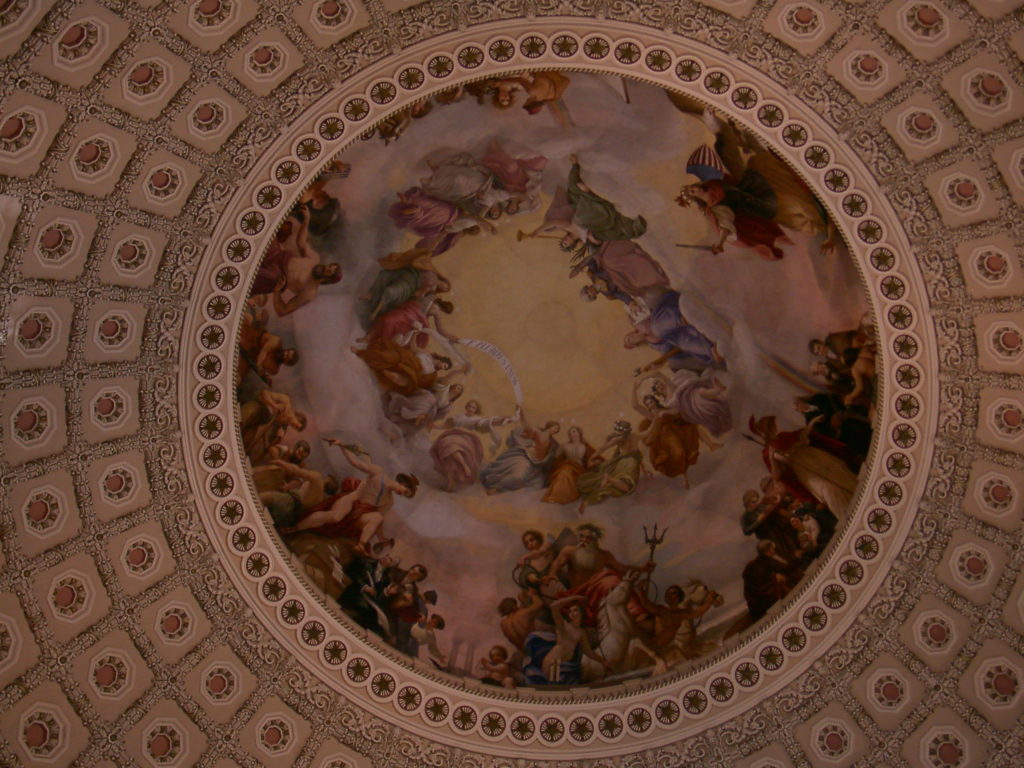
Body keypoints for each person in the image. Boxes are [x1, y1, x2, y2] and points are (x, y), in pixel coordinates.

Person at [284, 440, 418, 556]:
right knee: (335, 516)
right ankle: (297, 527)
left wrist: (382, 538)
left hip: (359, 516)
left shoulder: (389, 501)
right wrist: (342, 446)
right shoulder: (379, 473)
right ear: (403, 483)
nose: (402, 494)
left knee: (379, 517)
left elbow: (376, 522)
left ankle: (360, 545)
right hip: (352, 500)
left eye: (406, 496)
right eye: (405, 491)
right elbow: (356, 463)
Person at [543, 523, 653, 626]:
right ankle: (636, 612)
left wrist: (642, 569)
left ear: (595, 541)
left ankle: (637, 614)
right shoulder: (570, 551)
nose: (584, 540)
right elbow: (557, 563)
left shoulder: (604, 555)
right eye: (581, 536)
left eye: (588, 538)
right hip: (579, 593)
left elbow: (622, 568)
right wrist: (552, 575)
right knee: (612, 579)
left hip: (599, 594)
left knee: (617, 581)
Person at [479, 414, 560, 494]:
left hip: (536, 465)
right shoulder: (538, 432)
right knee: (518, 477)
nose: (556, 430)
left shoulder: (553, 443)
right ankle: (497, 487)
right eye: (555, 427)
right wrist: (521, 413)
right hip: (525, 457)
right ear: (550, 426)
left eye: (557, 430)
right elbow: (526, 425)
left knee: (538, 484)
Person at [577, 421, 648, 511]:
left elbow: (603, 448)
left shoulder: (619, 439)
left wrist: (591, 458)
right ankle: (609, 479)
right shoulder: (634, 436)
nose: (619, 433)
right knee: (627, 486)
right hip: (629, 463)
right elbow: (648, 432)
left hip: (621, 463)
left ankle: (609, 479)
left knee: (625, 485)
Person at [539, 596, 608, 684]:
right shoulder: (564, 625)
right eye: (570, 611)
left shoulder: (581, 632)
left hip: (566, 665)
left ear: (581, 613)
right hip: (554, 662)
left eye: (575, 610)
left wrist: (603, 660)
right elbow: (554, 607)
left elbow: (588, 652)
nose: (572, 613)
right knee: (554, 689)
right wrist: (574, 598)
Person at [542, 426, 595, 504]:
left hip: (579, 470)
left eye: (574, 432)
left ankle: (565, 496)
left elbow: (592, 458)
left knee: (566, 472)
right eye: (570, 433)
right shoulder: (564, 446)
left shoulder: (585, 446)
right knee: (564, 473)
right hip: (567, 466)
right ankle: (555, 496)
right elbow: (556, 458)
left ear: (579, 433)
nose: (572, 434)